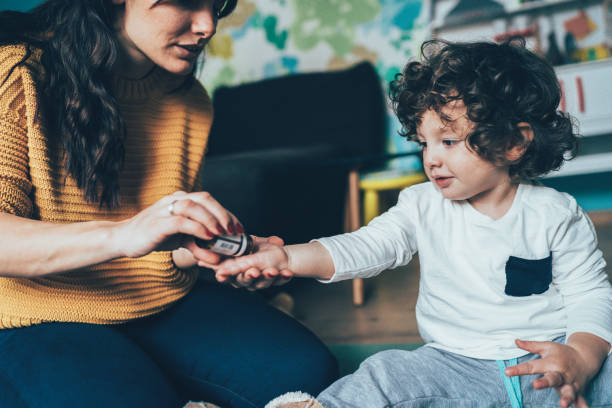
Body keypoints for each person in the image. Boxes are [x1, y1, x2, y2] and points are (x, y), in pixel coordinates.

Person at [215, 39, 612, 408]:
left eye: (449, 141)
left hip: (551, 364)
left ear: (514, 143)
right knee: (383, 373)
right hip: (454, 368)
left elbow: (589, 293)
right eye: (424, 142)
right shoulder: (422, 204)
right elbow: (366, 245)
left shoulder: (557, 213)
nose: (432, 158)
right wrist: (286, 257)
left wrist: (581, 356)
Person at [0, 1, 338, 407]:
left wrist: (214, 252)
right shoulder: (19, 73)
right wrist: (125, 234)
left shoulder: (188, 98)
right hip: (33, 313)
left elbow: (162, 243)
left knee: (307, 372)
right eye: (187, 1)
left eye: (217, 5)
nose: (208, 25)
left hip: (156, 298)